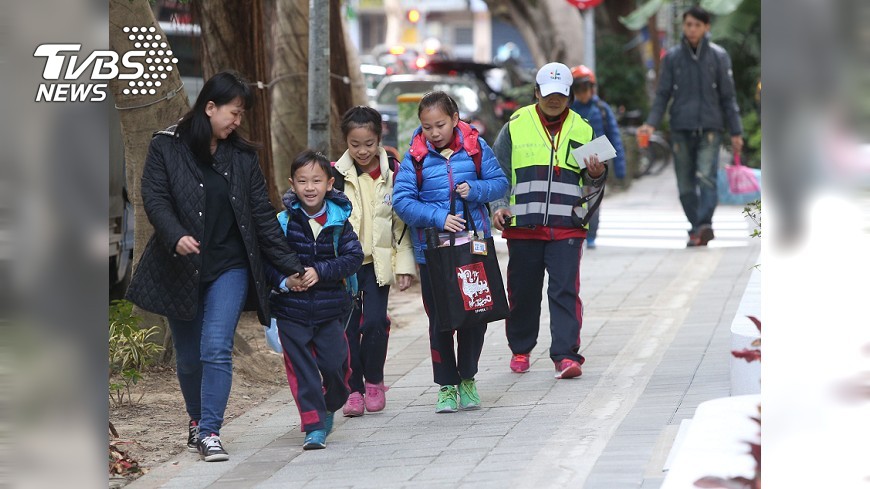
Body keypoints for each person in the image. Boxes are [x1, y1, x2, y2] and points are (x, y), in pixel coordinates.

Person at [125, 70, 306, 462]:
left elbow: (261, 215)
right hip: (180, 267)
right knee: (188, 359)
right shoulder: (166, 146)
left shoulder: (241, 157)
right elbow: (154, 198)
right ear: (210, 107)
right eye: (234, 112)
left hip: (230, 266)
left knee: (216, 347)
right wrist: (174, 234)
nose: (238, 121)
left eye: (241, 114)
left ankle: (210, 431)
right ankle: (195, 421)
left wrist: (290, 264)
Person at [392, 91, 509, 413]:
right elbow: (402, 202)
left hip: (473, 250)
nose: (433, 132)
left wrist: (476, 191)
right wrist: (439, 217)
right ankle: (446, 385)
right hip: (434, 253)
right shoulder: (414, 156)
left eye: (440, 124)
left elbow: (500, 183)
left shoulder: (475, 147)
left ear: (455, 119)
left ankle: (468, 378)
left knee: (476, 316)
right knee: (441, 319)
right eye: (427, 126)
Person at [490, 62, 606, 379]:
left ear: (568, 95)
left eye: (561, 95)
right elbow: (498, 173)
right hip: (524, 226)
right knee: (523, 291)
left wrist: (596, 173)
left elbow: (595, 182)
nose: (554, 100)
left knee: (564, 290)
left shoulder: (584, 129)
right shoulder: (515, 125)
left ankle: (566, 356)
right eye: (548, 94)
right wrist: (499, 206)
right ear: (537, 93)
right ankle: (520, 349)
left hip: (567, 225)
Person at [264, 150, 364, 449]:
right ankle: (314, 425)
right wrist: (285, 280)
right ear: (292, 184)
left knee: (336, 366)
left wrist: (320, 272)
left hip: (330, 309)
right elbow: (266, 262)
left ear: (329, 184)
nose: (310, 187)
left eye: (317, 180)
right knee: (303, 371)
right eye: (303, 181)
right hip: (290, 311)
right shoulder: (281, 223)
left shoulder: (338, 221)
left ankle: (331, 402)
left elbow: (353, 257)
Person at [332, 106, 416, 417]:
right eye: (355, 144)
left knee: (376, 322)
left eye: (369, 143)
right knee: (350, 328)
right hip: (346, 268)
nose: (362, 151)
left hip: (378, 265)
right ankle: (353, 389)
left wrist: (405, 265)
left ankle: (375, 381)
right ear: (346, 142)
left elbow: (400, 224)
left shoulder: (394, 172)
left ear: (379, 139)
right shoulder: (335, 176)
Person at [639, 6, 743, 247]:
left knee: (706, 177)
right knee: (685, 183)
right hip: (680, 127)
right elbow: (662, 94)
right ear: (684, 27)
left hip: (710, 127)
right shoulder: (673, 58)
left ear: (706, 27)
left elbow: (728, 97)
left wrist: (736, 131)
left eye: (697, 25)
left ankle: (703, 225)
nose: (692, 29)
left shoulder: (718, 56)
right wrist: (651, 124)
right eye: (688, 25)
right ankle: (697, 227)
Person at [569, 65, 627, 249]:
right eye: (578, 89)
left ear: (592, 88)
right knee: (573, 201)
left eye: (585, 88)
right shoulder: (567, 110)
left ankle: (592, 235)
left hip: (597, 166)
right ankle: (575, 234)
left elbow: (615, 137)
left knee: (593, 202)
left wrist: (620, 168)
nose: (582, 93)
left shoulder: (602, 109)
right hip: (573, 165)